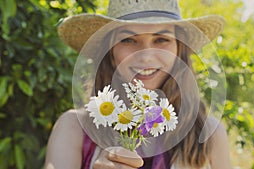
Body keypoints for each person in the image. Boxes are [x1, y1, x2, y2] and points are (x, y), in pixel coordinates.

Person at [45, 0, 231, 169]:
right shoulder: (74, 128)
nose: (146, 55)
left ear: (179, 50)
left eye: (161, 39)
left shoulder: (209, 135)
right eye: (128, 40)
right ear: (109, 52)